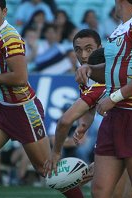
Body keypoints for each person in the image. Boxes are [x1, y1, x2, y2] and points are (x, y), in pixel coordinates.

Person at [0, 1, 82, 197]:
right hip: (2, 108)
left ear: (4, 11)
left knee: (46, 170)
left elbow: (20, 77)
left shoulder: (9, 37)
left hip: (23, 110)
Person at [75, 1, 132, 197]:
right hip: (114, 117)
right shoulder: (123, 27)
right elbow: (112, 71)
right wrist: (90, 69)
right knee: (99, 191)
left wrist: (114, 97)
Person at [44, 29, 103, 178]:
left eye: (89, 49)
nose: (83, 56)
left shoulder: (107, 75)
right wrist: (83, 126)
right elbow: (91, 108)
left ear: (100, 48)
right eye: (78, 50)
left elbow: (65, 121)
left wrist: (56, 152)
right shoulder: (84, 76)